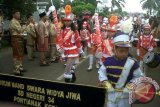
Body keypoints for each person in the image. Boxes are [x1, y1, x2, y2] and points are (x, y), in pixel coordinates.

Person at [98, 32, 144, 107]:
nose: (124, 53)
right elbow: (101, 73)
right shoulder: (108, 61)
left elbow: (138, 77)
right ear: (114, 49)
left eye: (126, 51)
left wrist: (130, 85)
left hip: (125, 96)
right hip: (111, 94)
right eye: (121, 51)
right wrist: (105, 82)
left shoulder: (132, 63)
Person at [57, 8, 83, 83]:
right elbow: (58, 41)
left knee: (67, 67)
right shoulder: (61, 30)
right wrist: (59, 49)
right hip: (64, 50)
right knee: (70, 66)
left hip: (72, 50)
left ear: (71, 21)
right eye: (65, 21)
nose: (67, 22)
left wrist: (80, 51)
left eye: (69, 21)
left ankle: (67, 82)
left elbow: (78, 42)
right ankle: (73, 75)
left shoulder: (75, 31)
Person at [9, 9, 26, 75]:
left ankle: (20, 68)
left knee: (20, 54)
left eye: (19, 14)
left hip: (19, 39)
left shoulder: (16, 21)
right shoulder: (13, 22)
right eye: (17, 14)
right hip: (16, 39)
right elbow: (20, 30)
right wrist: (24, 26)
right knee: (17, 54)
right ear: (13, 15)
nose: (19, 15)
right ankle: (16, 70)